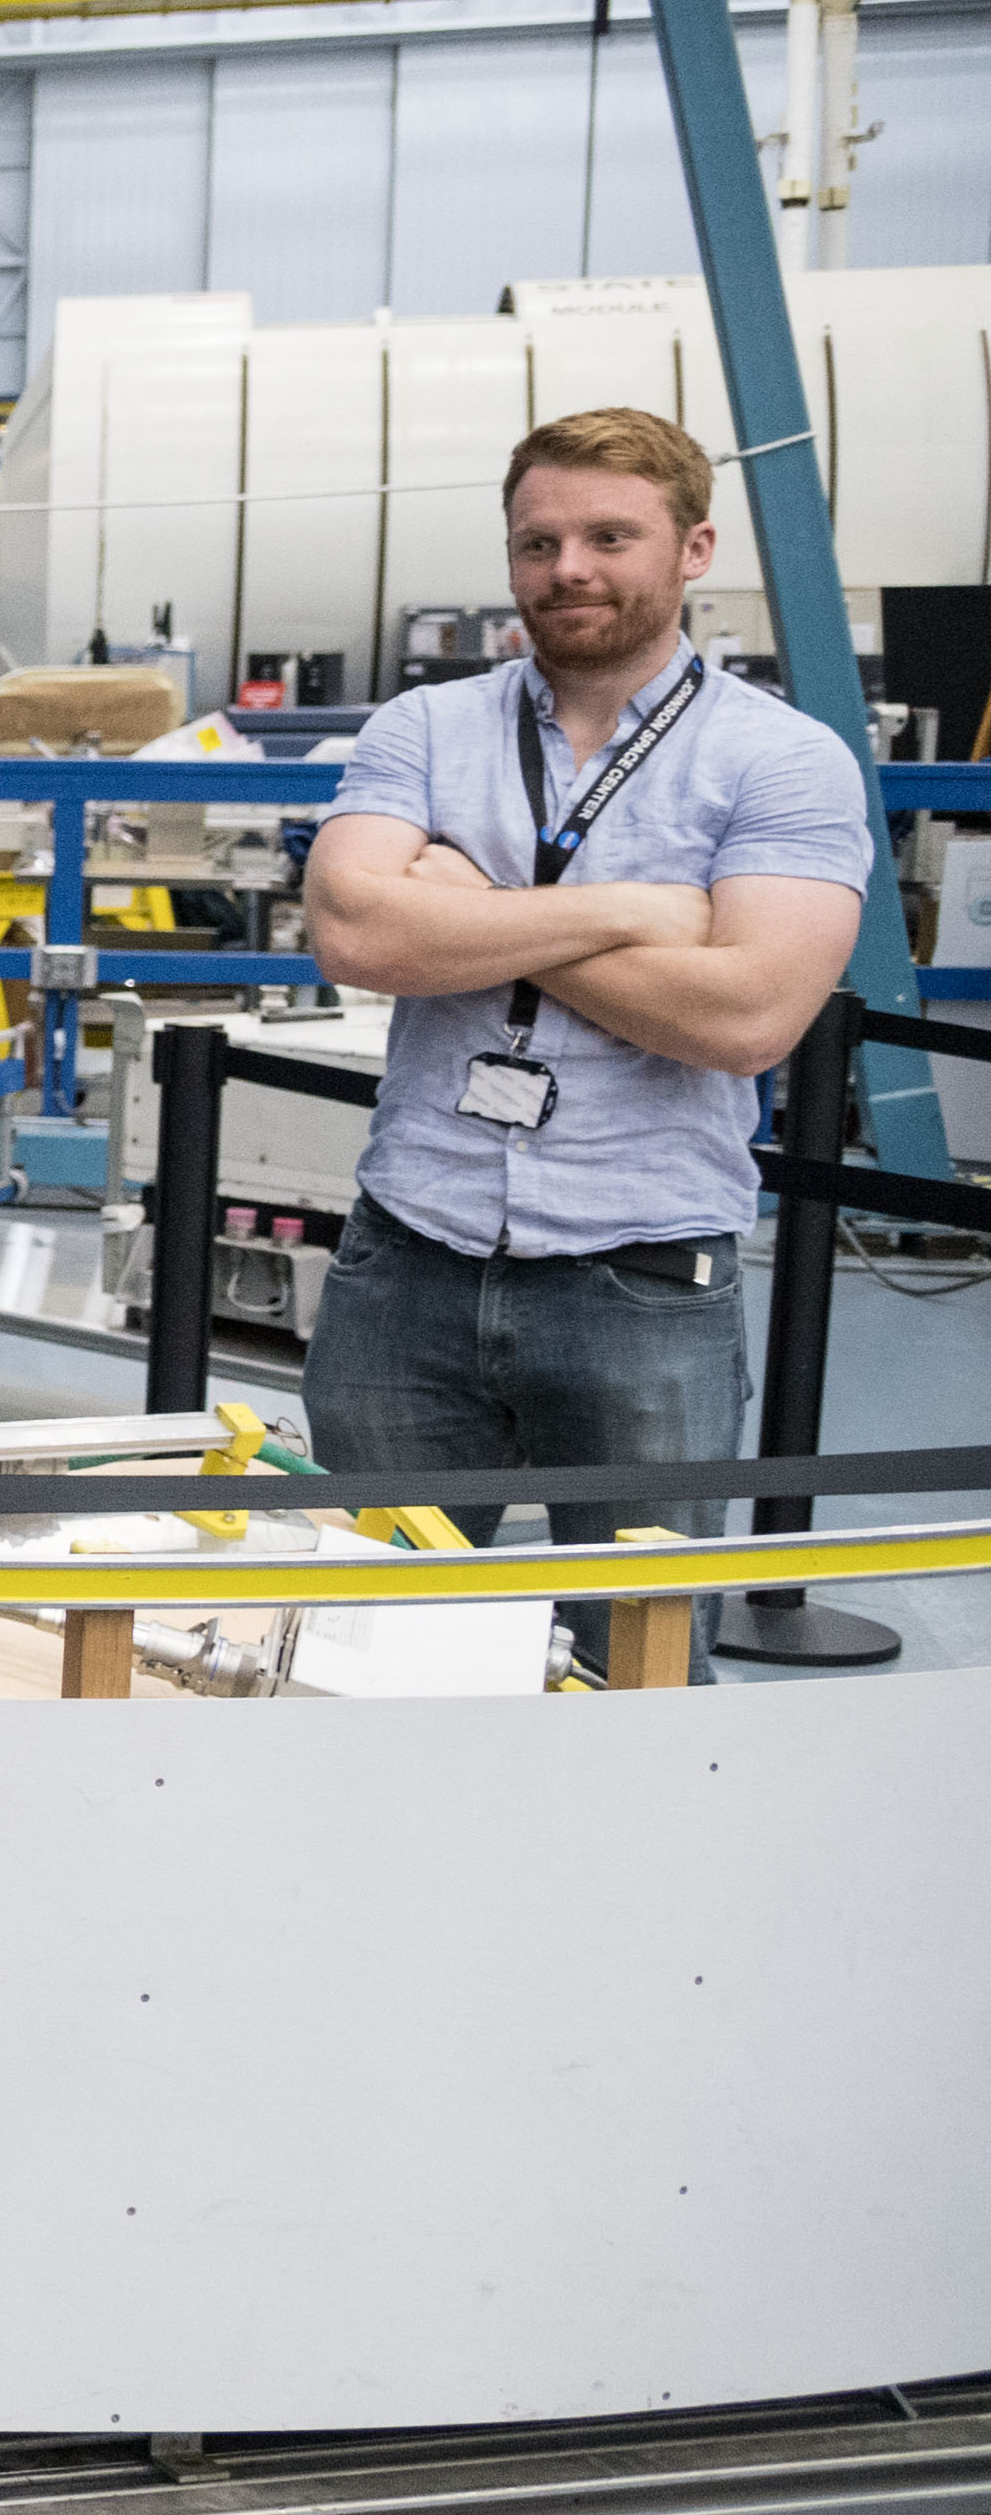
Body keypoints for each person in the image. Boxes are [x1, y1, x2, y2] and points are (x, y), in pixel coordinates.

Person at [300, 405, 868, 1670]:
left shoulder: (784, 761)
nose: (570, 568)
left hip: (642, 1280)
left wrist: (471, 906)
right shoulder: (426, 728)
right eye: (538, 540)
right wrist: (625, 915)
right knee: (363, 1648)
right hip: (409, 1263)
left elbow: (747, 1015)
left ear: (694, 546)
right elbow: (352, 930)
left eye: (611, 535)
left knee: (640, 1666)